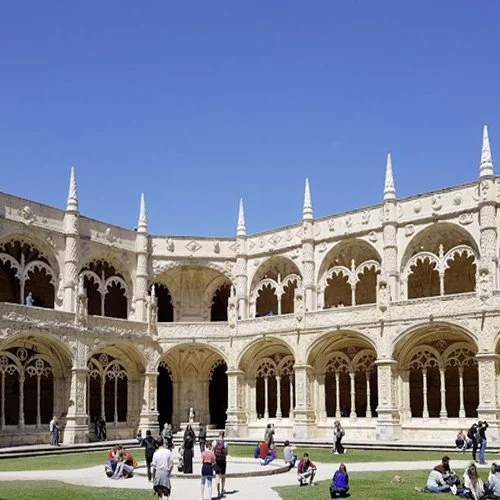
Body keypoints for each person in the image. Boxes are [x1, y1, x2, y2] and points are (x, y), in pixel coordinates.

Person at [212, 430, 228, 498]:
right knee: (223, 476)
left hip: (217, 461)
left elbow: (213, 451)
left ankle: (218, 492)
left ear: (218, 435)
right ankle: (222, 489)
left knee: (217, 476)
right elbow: (226, 453)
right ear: (223, 436)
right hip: (223, 461)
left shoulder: (214, 442)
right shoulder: (225, 443)